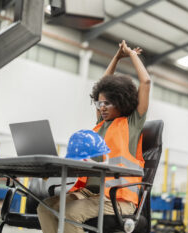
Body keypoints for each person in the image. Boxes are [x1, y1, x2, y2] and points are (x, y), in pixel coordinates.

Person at [37, 40, 151, 233]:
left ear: (122, 101)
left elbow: (146, 82)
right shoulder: (100, 124)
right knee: (45, 208)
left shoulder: (132, 123)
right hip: (88, 194)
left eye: (108, 103)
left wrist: (131, 54)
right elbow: (103, 83)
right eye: (99, 104)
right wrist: (116, 57)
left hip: (118, 199)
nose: (102, 107)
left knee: (70, 213)